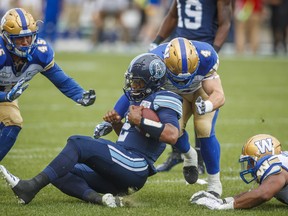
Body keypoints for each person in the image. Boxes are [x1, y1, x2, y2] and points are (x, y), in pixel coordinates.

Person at [0, 53, 183, 207]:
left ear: (153, 81)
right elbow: (135, 137)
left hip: (136, 165)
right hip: (123, 163)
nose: (133, 87)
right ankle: (101, 199)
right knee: (60, 171)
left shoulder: (165, 97)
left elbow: (171, 134)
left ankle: (30, 187)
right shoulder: (139, 98)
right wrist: (118, 124)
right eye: (132, 82)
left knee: (78, 143)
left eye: (138, 83)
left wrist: (140, 120)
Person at [95, 37, 225, 196]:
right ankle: (190, 155)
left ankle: (214, 185)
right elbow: (134, 90)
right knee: (175, 131)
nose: (182, 80)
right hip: (174, 95)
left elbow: (218, 94)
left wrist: (208, 105)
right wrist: (114, 118)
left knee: (204, 128)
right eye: (177, 76)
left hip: (201, 91)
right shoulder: (155, 59)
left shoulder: (206, 56)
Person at [148, 0, 233, 176]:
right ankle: (178, 154)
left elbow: (225, 23)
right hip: (177, 53)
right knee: (174, 106)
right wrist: (156, 41)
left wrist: (213, 51)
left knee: (203, 112)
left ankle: (201, 159)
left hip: (202, 53)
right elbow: (172, 15)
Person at [0, 8, 96, 161]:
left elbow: (61, 80)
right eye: (19, 39)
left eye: (29, 37)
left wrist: (80, 95)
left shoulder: (40, 52)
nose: (25, 43)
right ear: (6, 38)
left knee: (13, 121)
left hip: (6, 95)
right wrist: (6, 96)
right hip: (4, 94)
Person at [190, 134, 288, 209]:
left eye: (250, 161)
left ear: (263, 157)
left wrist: (222, 207)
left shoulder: (274, 165)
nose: (248, 167)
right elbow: (257, 192)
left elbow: (263, 193)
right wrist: (223, 201)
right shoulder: (281, 162)